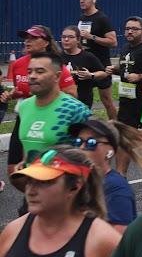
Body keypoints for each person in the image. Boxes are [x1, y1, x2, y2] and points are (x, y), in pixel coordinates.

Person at [2, 27, 79, 173]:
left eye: (33, 38)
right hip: (25, 116)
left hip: (51, 117)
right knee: (13, 169)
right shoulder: (18, 64)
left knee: (43, 167)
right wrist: (13, 95)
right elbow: (23, 91)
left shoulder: (55, 65)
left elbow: (72, 94)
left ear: (46, 43)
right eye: (26, 38)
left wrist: (43, 96)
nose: (27, 41)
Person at [70, 119, 142, 232]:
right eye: (78, 141)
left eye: (91, 143)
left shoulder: (116, 189)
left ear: (110, 151)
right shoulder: (76, 181)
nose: (81, 147)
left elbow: (118, 240)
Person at [12, 53, 91, 174]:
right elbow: (29, 147)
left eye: (40, 72)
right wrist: (25, 163)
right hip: (34, 187)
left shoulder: (75, 110)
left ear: (57, 76)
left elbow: (91, 156)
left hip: (66, 188)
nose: (32, 76)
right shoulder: (24, 107)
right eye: (29, 71)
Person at [110, 17, 142, 139]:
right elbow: (127, 67)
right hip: (126, 99)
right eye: (127, 29)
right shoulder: (125, 48)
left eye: (134, 29)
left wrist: (140, 76)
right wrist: (115, 69)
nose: (130, 32)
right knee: (125, 135)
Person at [75, 0, 118, 119]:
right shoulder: (82, 17)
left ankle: (116, 128)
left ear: (94, 0)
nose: (81, 1)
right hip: (85, 64)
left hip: (101, 64)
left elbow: (113, 42)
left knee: (107, 101)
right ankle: (82, 127)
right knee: (82, 100)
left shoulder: (102, 18)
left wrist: (92, 37)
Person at [60, 25, 107, 108]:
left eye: (71, 37)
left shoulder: (87, 56)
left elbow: (103, 73)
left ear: (78, 40)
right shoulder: (57, 57)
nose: (66, 40)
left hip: (82, 102)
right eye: (64, 37)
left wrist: (91, 75)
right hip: (61, 101)